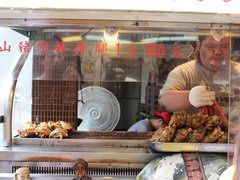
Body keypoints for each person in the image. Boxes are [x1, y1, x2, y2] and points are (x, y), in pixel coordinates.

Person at [159, 31, 240, 115]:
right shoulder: (184, 71)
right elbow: (164, 101)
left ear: (231, 46)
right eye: (211, 46)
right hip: (197, 127)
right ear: (199, 45)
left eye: (224, 46)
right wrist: (189, 97)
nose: (218, 51)